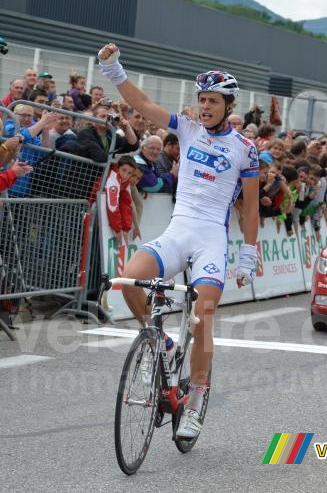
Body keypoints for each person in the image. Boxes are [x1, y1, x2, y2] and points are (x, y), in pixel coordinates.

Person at [98, 43, 260, 439]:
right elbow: (144, 103)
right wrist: (114, 69)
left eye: (213, 101)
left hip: (210, 241)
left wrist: (248, 253)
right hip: (178, 230)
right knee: (128, 281)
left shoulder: (246, 150)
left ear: (228, 104)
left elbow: (251, 208)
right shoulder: (186, 128)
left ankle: (198, 398)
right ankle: (164, 343)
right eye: (201, 99)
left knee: (203, 317)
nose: (204, 107)